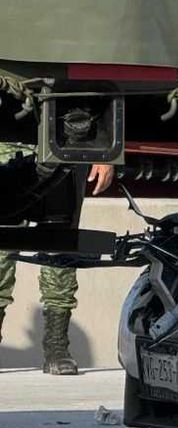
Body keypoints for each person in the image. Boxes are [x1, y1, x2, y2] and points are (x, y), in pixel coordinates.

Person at [0, 142, 114, 375]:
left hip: (64, 149)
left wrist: (108, 155)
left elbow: (99, 107)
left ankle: (57, 347)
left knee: (60, 251)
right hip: (6, 147)